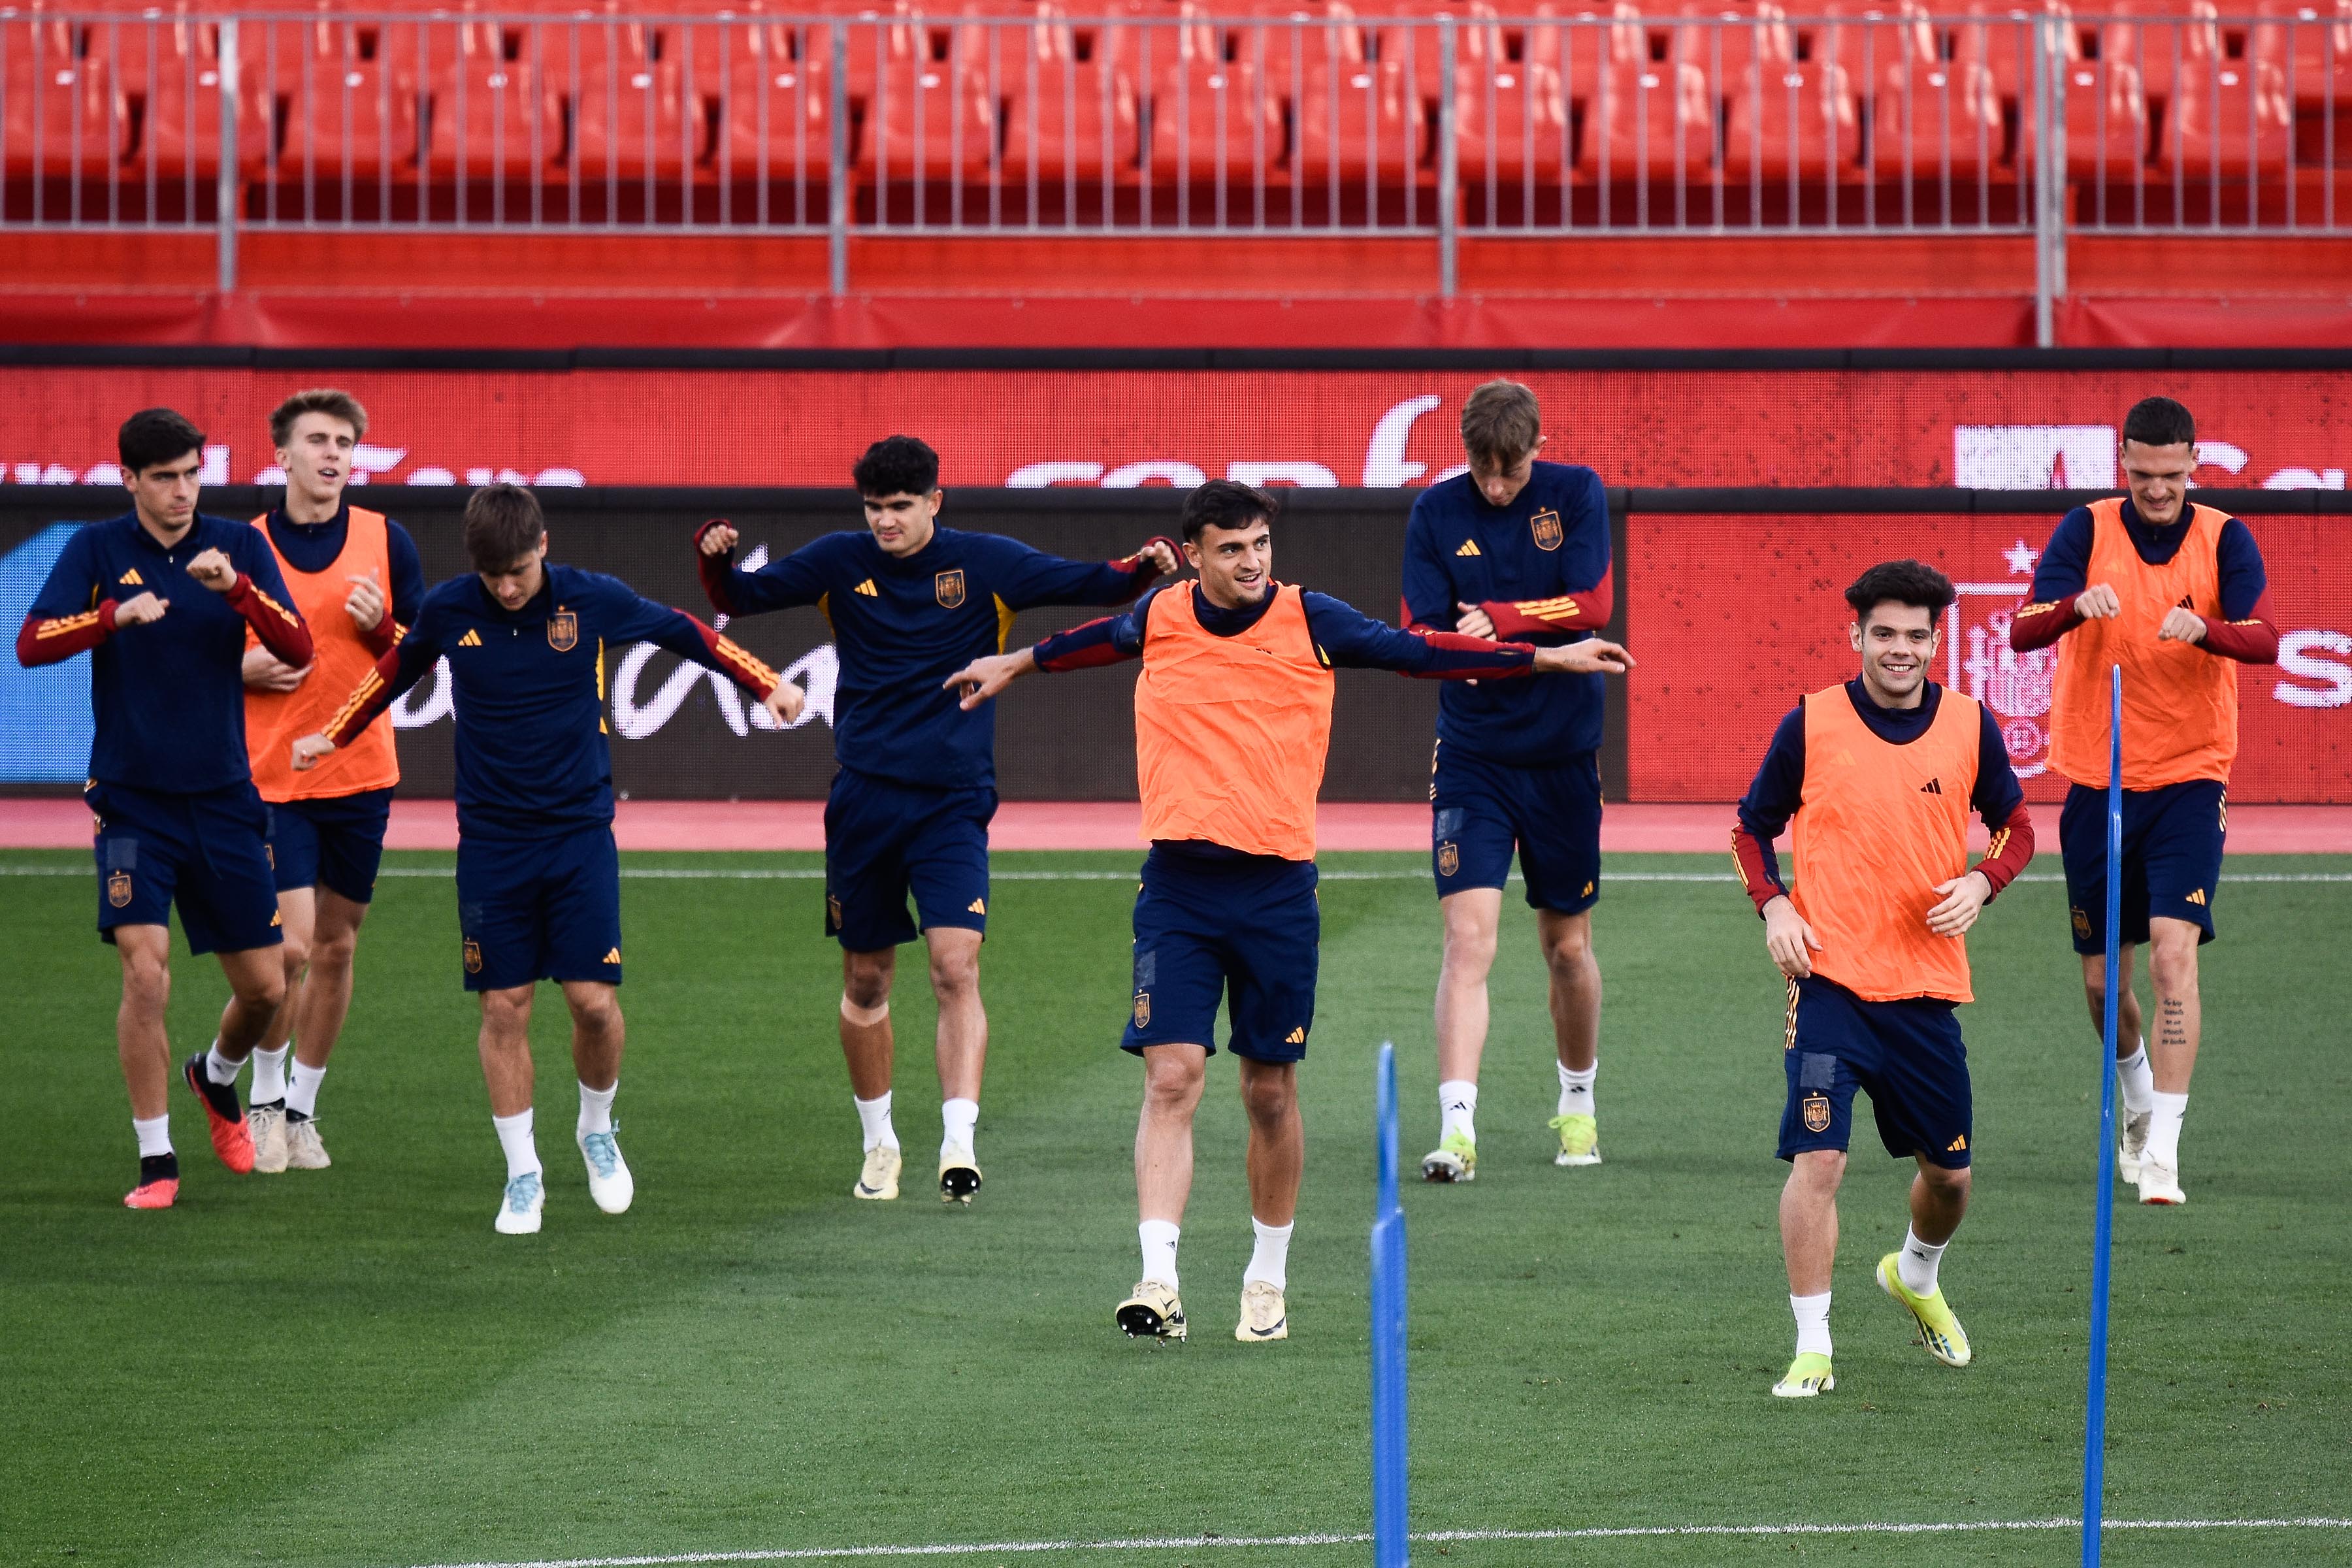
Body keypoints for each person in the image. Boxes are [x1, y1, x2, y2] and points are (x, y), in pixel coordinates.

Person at [941, 480, 1632, 1344]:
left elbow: (1421, 653)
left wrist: (1544, 657)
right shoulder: (1161, 616)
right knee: (1171, 1077)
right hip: (1178, 891)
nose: (1252, 562)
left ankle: (1266, 1277)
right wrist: (1017, 662)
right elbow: (1094, 639)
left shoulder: (1314, 617)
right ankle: (1159, 1278)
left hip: (1276, 894)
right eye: (1232, 549)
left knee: (1269, 1093)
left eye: (1261, 544)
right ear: (1195, 554)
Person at [293, 484, 794, 1234]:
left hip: (578, 835)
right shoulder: (453, 608)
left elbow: (685, 632)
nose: (506, 587)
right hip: (492, 844)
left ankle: (597, 1128)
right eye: (493, 575)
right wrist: (332, 734)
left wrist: (767, 682)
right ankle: (522, 1173)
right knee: (505, 1006)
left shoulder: (591, 600)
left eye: (518, 571)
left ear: (544, 547)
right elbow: (394, 669)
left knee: (592, 1003)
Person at [694, 434, 1178, 1207]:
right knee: (867, 976)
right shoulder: (837, 562)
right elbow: (739, 599)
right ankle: (879, 1141)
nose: (886, 522)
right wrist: (715, 560)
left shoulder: (984, 564)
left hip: (953, 799)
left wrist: (1141, 567)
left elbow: (1091, 583)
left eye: (900, 507)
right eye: (875, 508)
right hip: (863, 800)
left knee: (956, 965)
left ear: (934, 502)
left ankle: (960, 1142)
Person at [1731, 560, 2035, 1399]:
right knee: (1818, 1162)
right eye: (1885, 634)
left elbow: (2018, 830)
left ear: (1937, 642)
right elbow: (1749, 831)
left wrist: (1982, 881)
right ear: (1855, 635)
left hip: (1927, 992)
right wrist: (1776, 909)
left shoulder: (1972, 726)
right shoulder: (1811, 722)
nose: (1901, 650)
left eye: (1916, 636)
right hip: (1828, 981)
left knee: (1950, 1179)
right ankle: (1813, 1346)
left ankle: (1917, 1273)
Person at [14, 408, 314, 1209]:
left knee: (267, 988)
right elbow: (32, 641)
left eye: (192, 474)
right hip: (133, 804)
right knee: (145, 978)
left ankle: (214, 1077)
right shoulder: (97, 550)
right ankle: (157, 1160)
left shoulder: (239, 547)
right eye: (165, 478)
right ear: (131, 481)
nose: (182, 492)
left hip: (223, 801)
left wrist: (240, 591)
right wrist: (111, 616)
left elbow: (299, 649)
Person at [2010, 397, 2278, 1208]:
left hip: (2191, 775)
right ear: (2122, 463)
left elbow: (2265, 636)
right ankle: (2134, 1102)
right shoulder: (2085, 529)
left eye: (2171, 475)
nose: (2157, 489)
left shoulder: (2226, 535)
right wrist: (2070, 609)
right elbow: (2024, 630)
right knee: (2101, 985)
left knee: (2171, 956)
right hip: (2098, 777)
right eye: (2141, 474)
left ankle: (2162, 1146)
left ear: (2194, 465)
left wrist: (2207, 630)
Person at [1400, 380, 1622, 1183]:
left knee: (1566, 947)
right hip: (1473, 755)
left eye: (1511, 470)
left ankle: (1577, 1103)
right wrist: (1487, 638)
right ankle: (1457, 1129)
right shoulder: (1435, 512)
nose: (1495, 485)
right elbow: (1419, 633)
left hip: (1564, 753)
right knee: (1467, 942)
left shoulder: (1576, 493)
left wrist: (1504, 617)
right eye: (1483, 470)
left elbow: (1594, 600)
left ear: (1535, 448)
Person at [239, 389, 429, 1173]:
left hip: (362, 772)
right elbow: (191, 652)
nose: (333, 454)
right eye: (316, 439)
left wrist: (385, 628)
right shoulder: (243, 546)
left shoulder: (389, 541)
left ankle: (304, 1113)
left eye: (345, 442)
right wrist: (235, 669)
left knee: (339, 948)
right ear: (281, 454)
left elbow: (426, 654)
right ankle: (262, 1098)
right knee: (289, 948)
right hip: (274, 775)